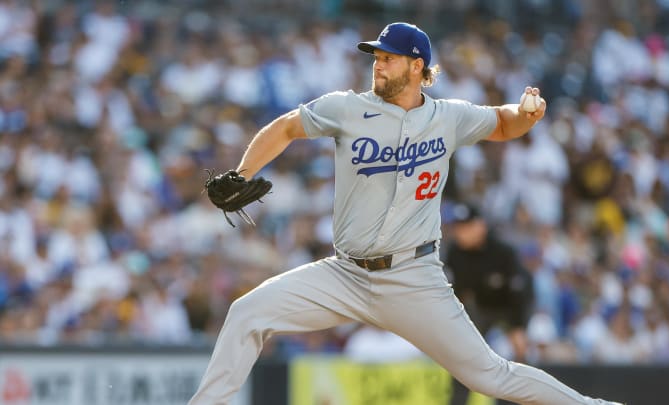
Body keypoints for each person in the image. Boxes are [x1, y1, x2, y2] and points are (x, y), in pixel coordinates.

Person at [188, 22, 623, 405]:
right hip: (345, 275)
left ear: (417, 66)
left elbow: (504, 123)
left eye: (388, 58)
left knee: (488, 375)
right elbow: (285, 127)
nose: (377, 64)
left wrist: (527, 114)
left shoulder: (447, 116)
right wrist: (242, 172)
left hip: (413, 277)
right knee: (247, 312)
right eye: (376, 57)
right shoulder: (348, 107)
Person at [444, 202, 534, 405]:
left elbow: (519, 292)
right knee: (463, 357)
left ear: (480, 226)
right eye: (458, 227)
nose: (460, 232)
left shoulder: (503, 252)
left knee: (516, 355)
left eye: (465, 227)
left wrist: (518, 327)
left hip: (510, 309)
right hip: (480, 309)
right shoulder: (455, 253)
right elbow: (453, 291)